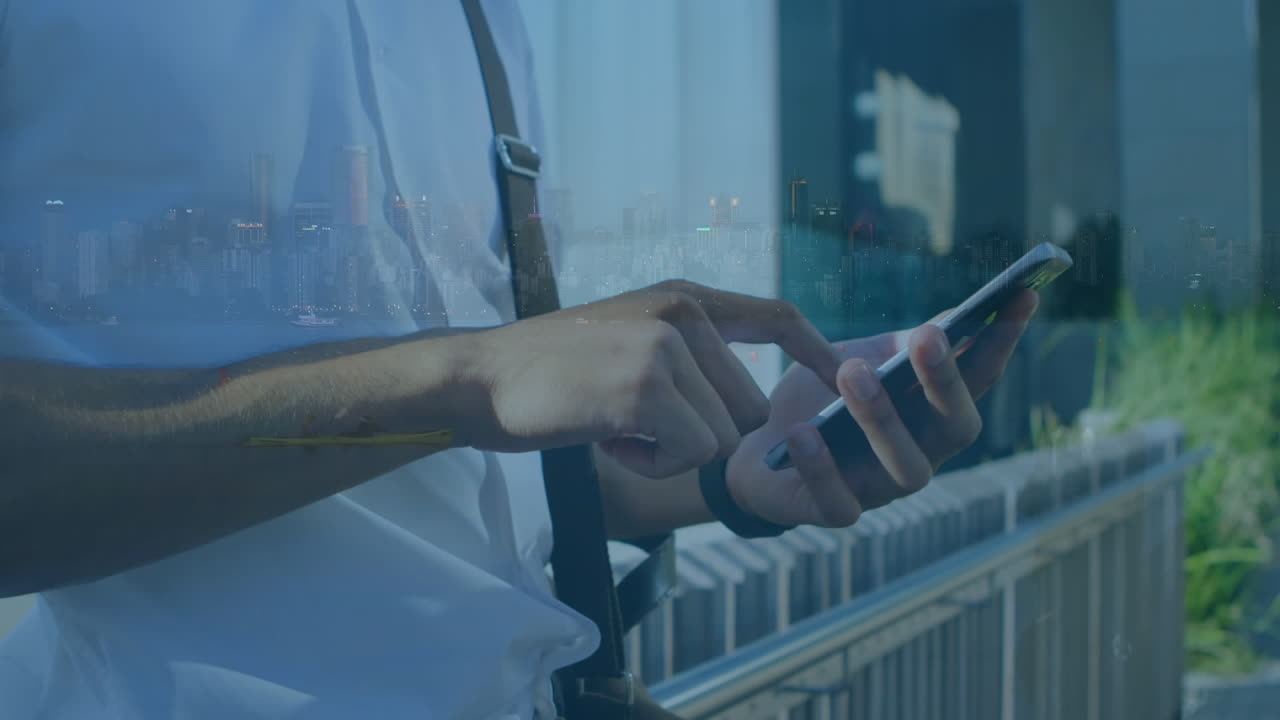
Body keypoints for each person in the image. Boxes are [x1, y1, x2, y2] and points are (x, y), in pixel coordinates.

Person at [0, 1, 1038, 718]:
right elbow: (465, 397)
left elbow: (463, 475)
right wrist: (468, 378)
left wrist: (743, 468)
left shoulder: (477, 24)